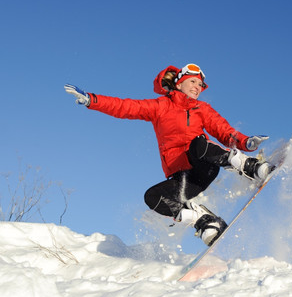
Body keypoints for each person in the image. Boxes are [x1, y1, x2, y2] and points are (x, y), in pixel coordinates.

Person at [65, 63, 274, 246]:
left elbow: (224, 130)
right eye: (193, 82)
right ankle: (205, 221)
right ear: (179, 83)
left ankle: (250, 167)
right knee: (152, 197)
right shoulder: (160, 107)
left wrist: (246, 142)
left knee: (197, 144)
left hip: (204, 164)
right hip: (185, 179)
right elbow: (125, 106)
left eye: (200, 85)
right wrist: (92, 100)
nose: (197, 88)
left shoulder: (203, 109)